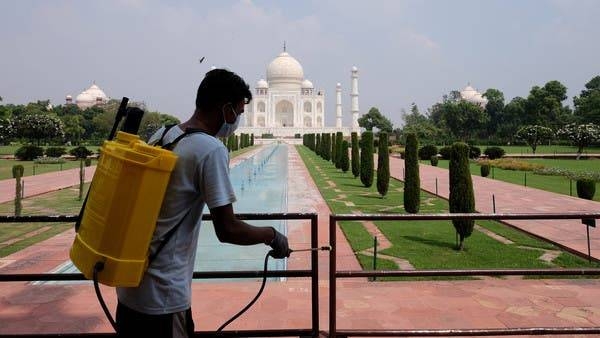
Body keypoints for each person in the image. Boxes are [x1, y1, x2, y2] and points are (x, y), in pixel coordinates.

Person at [115, 68, 291, 338]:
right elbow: (227, 229)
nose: (238, 121)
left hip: (130, 289)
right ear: (226, 109)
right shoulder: (209, 149)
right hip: (163, 297)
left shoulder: (164, 135)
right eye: (239, 113)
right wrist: (272, 235)